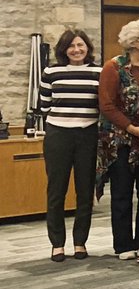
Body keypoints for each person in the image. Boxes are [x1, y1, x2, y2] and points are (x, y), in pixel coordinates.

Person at [96, 19, 139, 260]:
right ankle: (123, 244)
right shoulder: (114, 67)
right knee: (121, 194)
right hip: (120, 140)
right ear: (133, 43)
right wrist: (131, 128)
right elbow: (107, 105)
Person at [40, 29, 103, 261]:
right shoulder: (51, 71)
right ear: (63, 49)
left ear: (87, 47)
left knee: (85, 191)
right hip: (58, 135)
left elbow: (102, 104)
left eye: (81, 45)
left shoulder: (99, 71)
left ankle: (80, 242)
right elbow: (44, 106)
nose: (76, 50)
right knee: (56, 191)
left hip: (88, 135)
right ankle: (57, 243)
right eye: (71, 46)